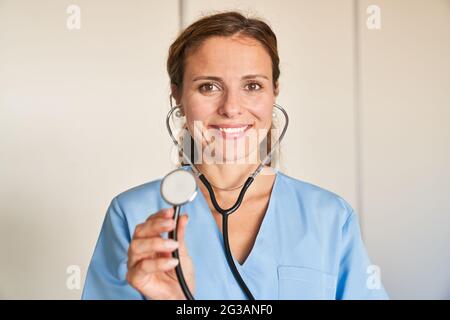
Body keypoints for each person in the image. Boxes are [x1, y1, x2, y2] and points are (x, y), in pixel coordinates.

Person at [82, 11, 388, 300]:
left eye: (252, 85)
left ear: (274, 92)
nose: (231, 108)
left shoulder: (330, 218)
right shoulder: (133, 215)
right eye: (209, 86)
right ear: (177, 95)